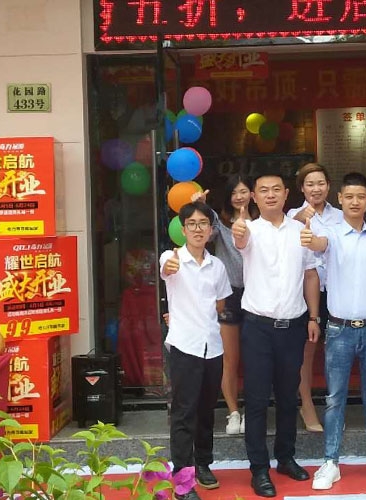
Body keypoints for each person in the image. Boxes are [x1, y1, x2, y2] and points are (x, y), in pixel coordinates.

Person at [301, 172, 366, 490]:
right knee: (335, 399)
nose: (355, 202)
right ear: (340, 199)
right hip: (339, 330)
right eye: (349, 197)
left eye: (361, 196)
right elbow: (317, 244)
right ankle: (330, 463)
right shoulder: (330, 234)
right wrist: (308, 236)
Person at [232, 171, 321, 498]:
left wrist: (314, 316)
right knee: (256, 400)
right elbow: (240, 241)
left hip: (293, 326)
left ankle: (285, 457)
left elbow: (310, 276)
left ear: (286, 194)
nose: (270, 195)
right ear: (254, 197)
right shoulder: (248, 229)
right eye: (263, 191)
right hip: (258, 328)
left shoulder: (301, 231)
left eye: (276, 190)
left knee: (288, 397)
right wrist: (239, 229)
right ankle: (259, 468)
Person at [159, 201, 233, 500]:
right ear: (183, 229)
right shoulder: (172, 258)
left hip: (212, 347)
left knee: (206, 411)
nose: (198, 229)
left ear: (211, 229)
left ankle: (203, 464)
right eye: (192, 224)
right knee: (183, 413)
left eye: (203, 223)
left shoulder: (218, 266)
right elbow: (166, 269)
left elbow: (220, 303)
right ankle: (182, 478)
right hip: (185, 346)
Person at [192, 175, 259, 435]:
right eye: (234, 193)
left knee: (255, 359)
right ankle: (233, 412)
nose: (239, 197)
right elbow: (203, 232)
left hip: (259, 294)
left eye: (244, 191)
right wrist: (201, 206)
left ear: (252, 194)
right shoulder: (219, 224)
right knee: (230, 358)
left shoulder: (263, 222)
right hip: (228, 294)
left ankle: (253, 411)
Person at [287, 163, 344, 433]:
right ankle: (306, 403)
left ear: (329, 186)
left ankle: (335, 406)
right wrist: (299, 218)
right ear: (302, 188)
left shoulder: (341, 215)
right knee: (307, 350)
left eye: (321, 183)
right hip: (306, 290)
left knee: (336, 351)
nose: (316, 189)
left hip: (337, 289)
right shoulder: (291, 215)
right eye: (310, 184)